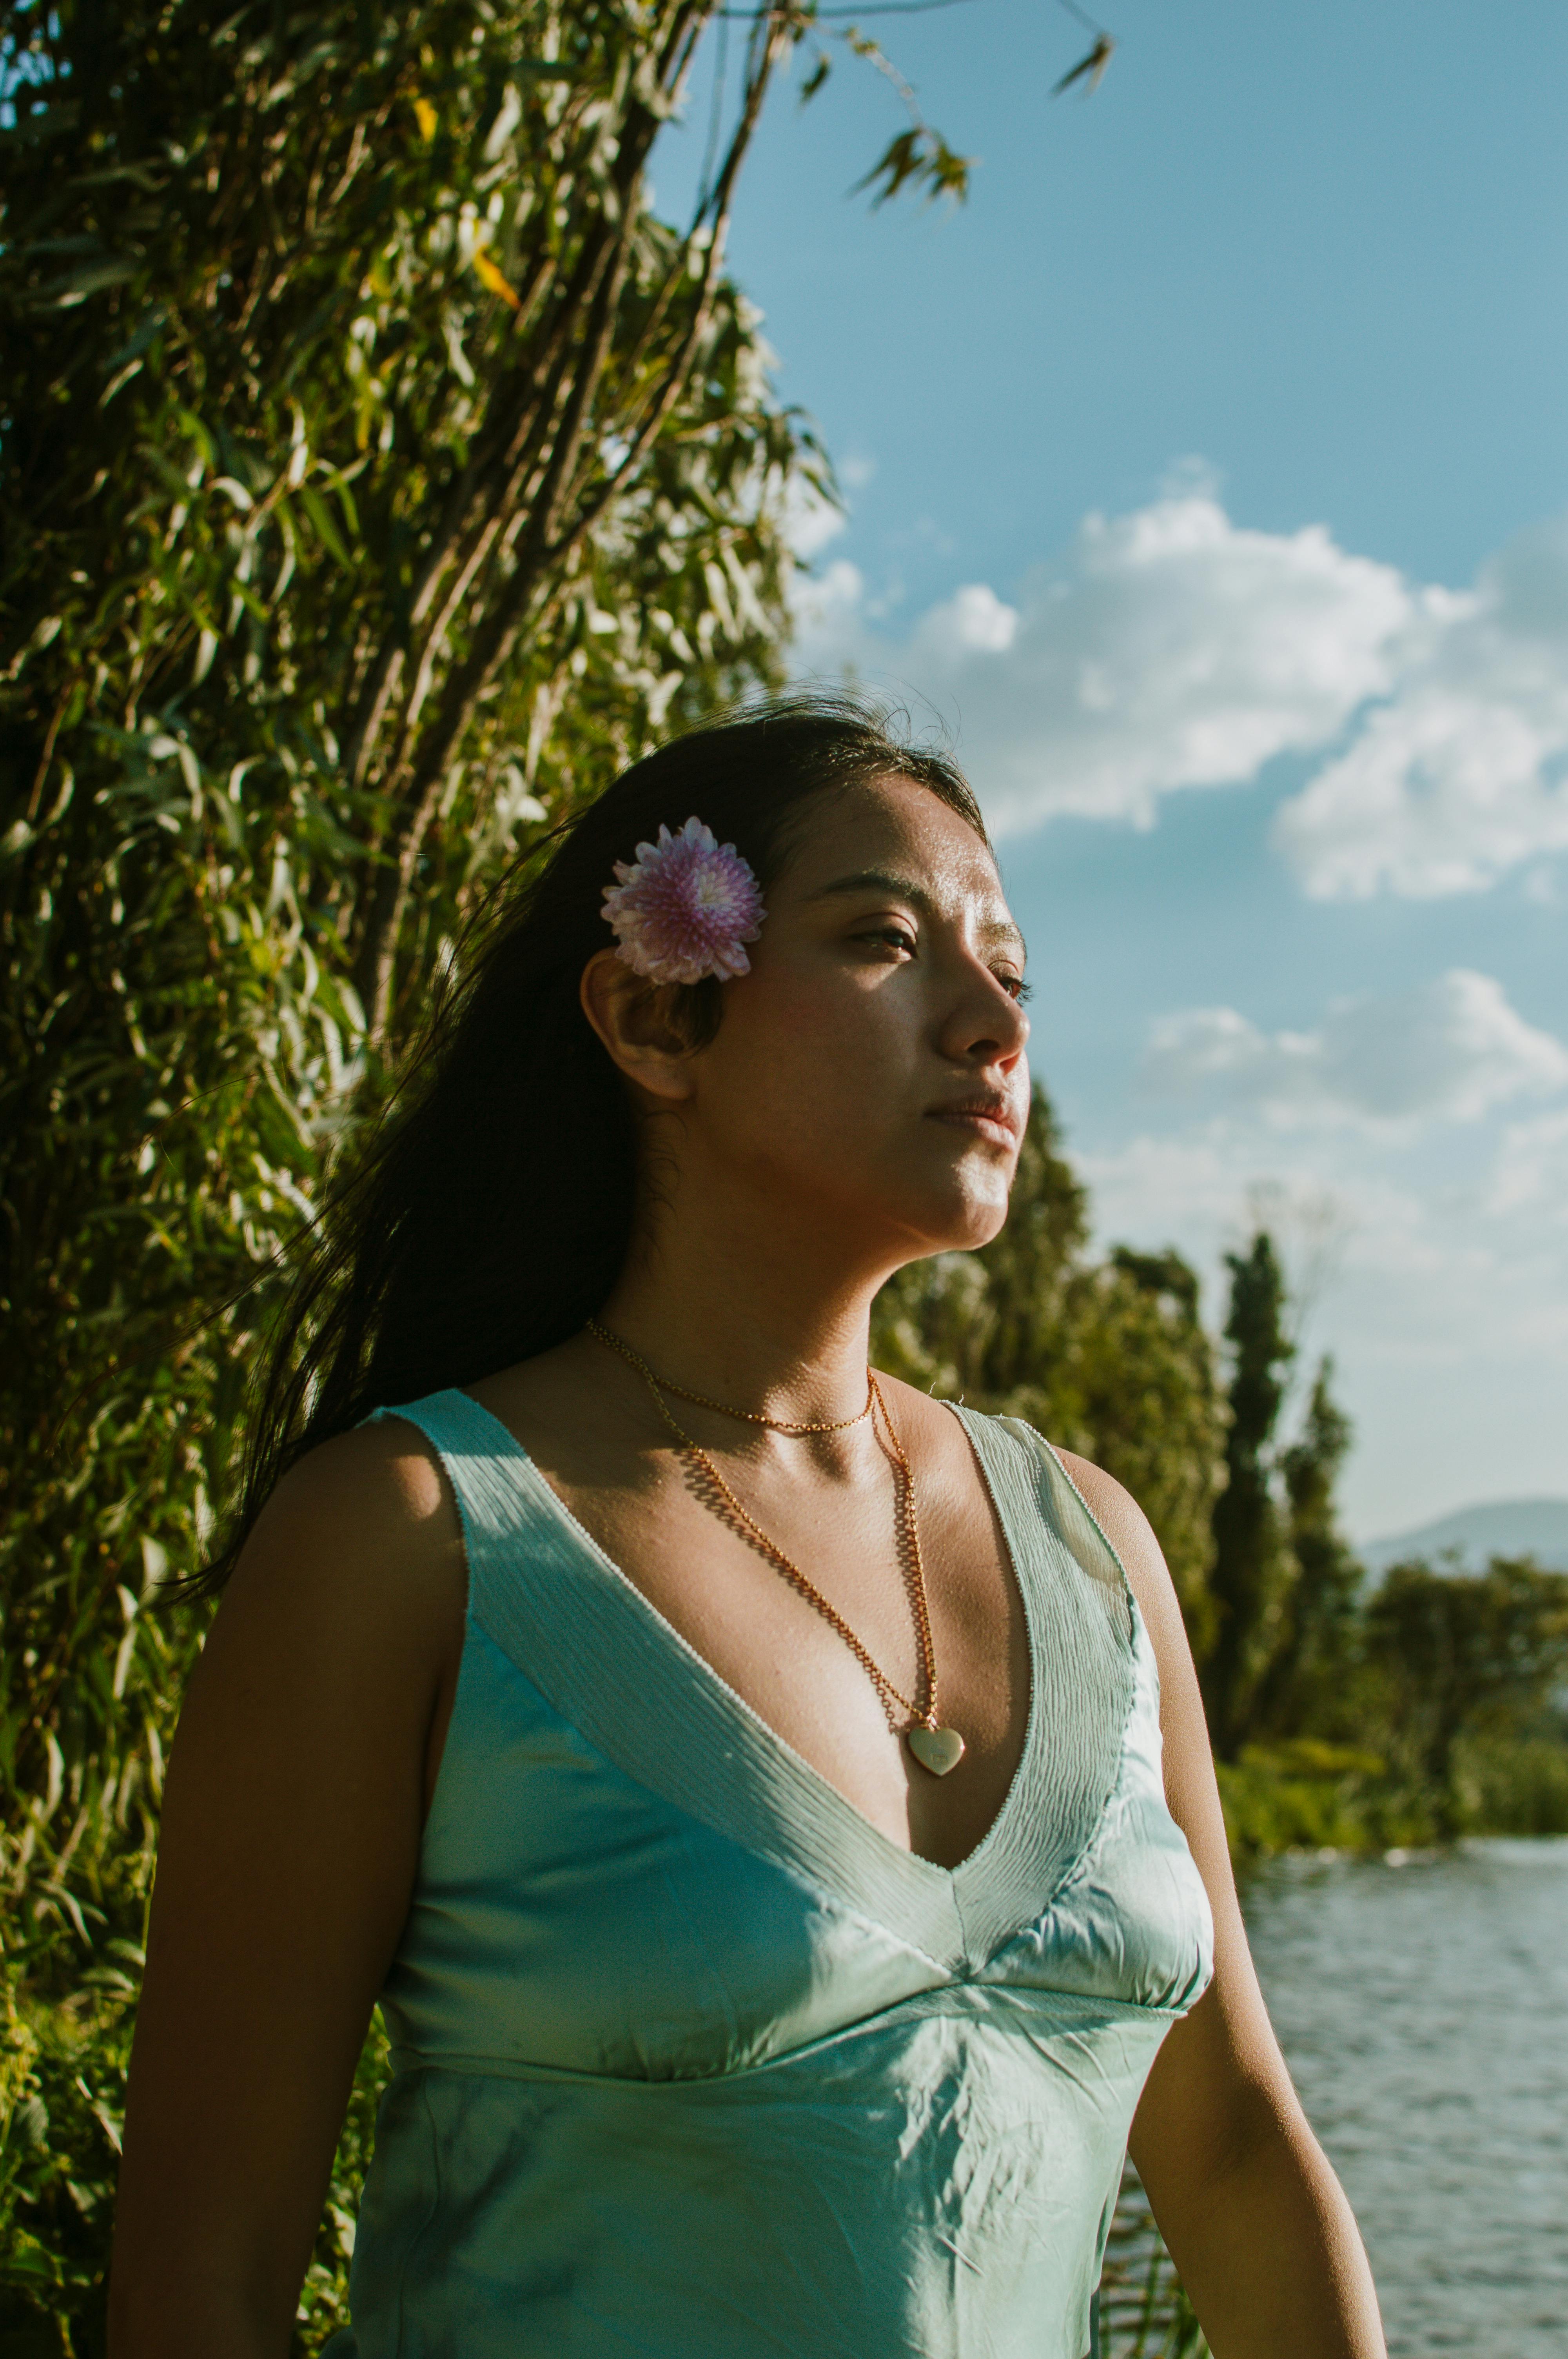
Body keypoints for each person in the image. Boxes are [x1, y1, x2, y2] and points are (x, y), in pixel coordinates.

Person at [108, 696, 1385, 2359]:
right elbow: (200, 2283)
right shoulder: (410, 1536)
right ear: (654, 1015)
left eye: (1009, 965)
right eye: (883, 939)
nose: (993, 1019)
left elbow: (1231, 2155)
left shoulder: (1091, 1543)